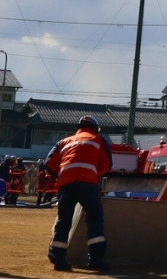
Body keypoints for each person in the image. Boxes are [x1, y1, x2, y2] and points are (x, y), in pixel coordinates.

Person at [46, 115, 112, 272]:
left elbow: (48, 163)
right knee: (94, 219)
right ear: (95, 128)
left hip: (66, 183)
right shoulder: (99, 140)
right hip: (88, 183)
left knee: (64, 220)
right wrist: (93, 172)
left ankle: (59, 260)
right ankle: (95, 260)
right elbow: (107, 164)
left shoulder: (64, 142)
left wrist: (63, 174)